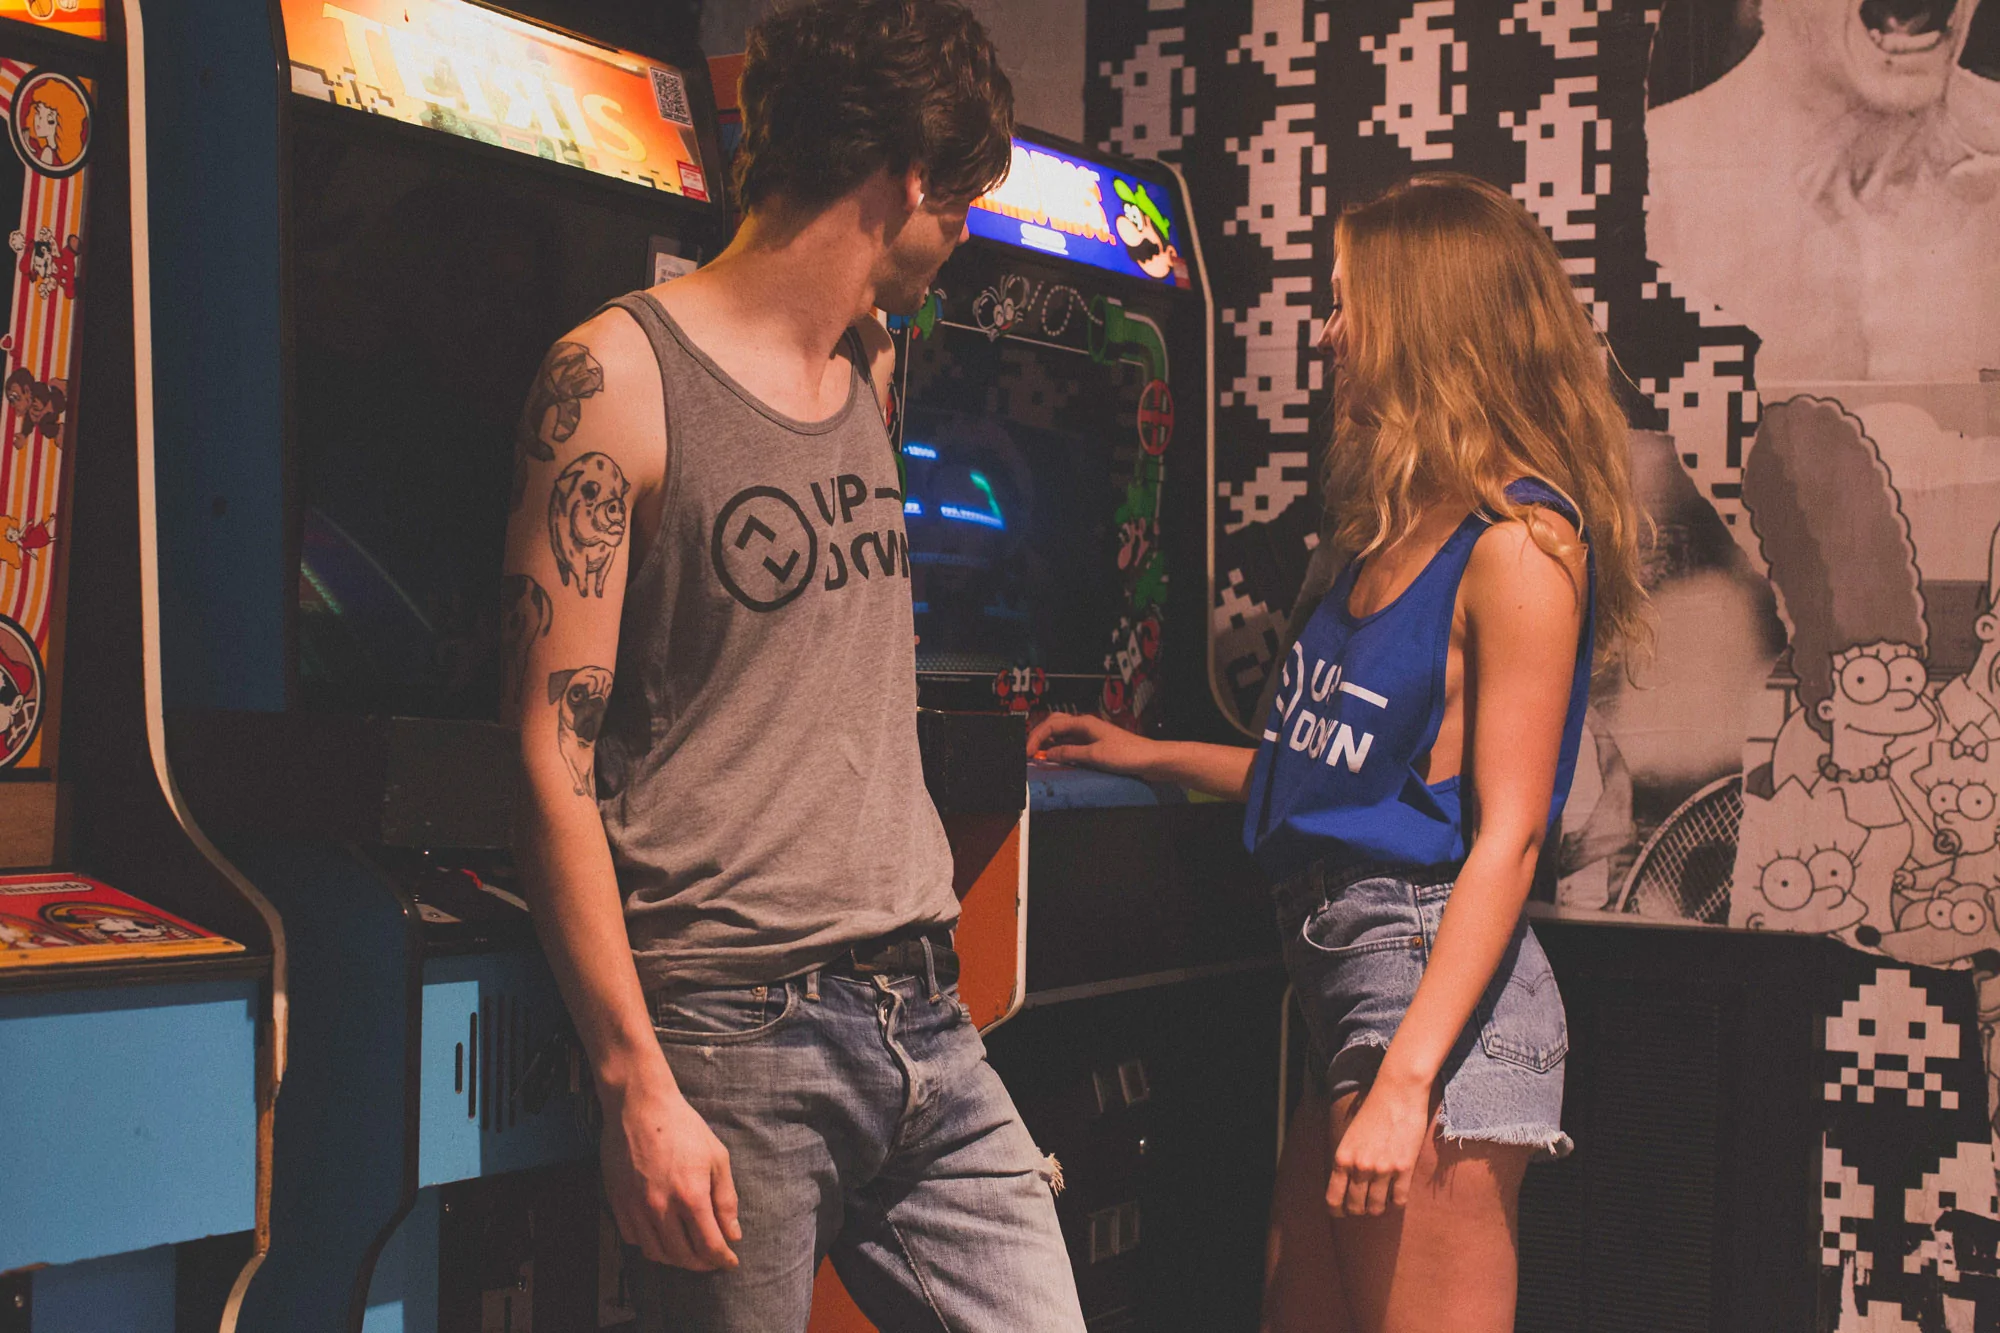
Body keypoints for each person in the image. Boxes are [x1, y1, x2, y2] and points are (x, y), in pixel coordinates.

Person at [502, 3, 1085, 1329]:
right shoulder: (612, 381)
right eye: (964, 201)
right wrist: (635, 1084)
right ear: (905, 180)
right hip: (733, 1031)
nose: (969, 234)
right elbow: (551, 752)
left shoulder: (874, 359)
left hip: (925, 1013)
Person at [1029, 173, 1649, 1332]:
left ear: (1423, 316)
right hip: (1352, 989)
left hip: (1429, 999)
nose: (1326, 333)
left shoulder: (1519, 544)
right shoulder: (1383, 528)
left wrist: (1407, 1081)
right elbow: (1326, 781)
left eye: (1344, 302)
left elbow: (1508, 837)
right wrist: (1149, 753)